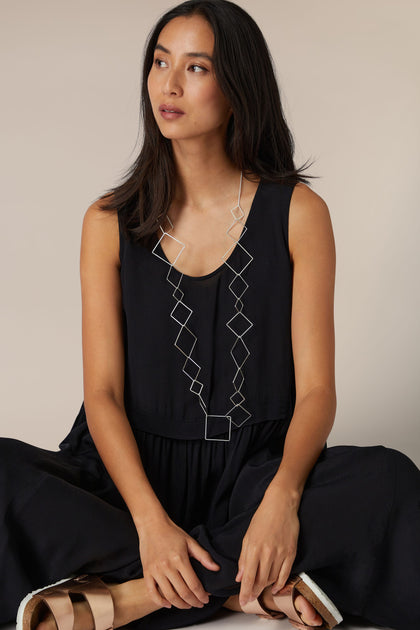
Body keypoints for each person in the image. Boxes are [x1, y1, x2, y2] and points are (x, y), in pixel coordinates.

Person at [2, 1, 419, 630]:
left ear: (239, 87)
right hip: (131, 482)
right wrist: (148, 521)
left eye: (196, 68)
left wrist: (283, 497)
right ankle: (235, 588)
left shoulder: (299, 213)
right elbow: (103, 394)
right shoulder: (107, 221)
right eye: (160, 62)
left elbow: (317, 393)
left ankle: (132, 596)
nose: (168, 85)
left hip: (255, 475)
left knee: (390, 480)